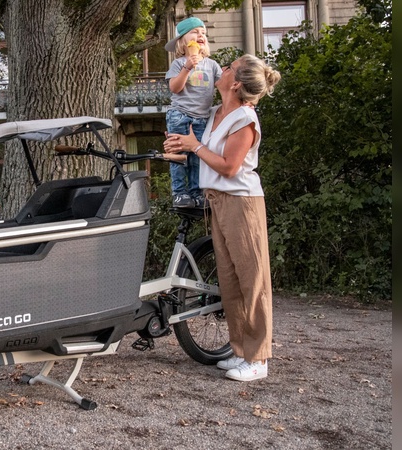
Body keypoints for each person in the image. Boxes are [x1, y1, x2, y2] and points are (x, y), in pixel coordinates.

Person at [162, 54, 282, 381]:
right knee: (229, 281)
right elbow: (197, 148)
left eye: (228, 68)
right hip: (217, 201)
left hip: (242, 202)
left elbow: (229, 166)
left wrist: (195, 147)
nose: (221, 68)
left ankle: (259, 359)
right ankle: (240, 349)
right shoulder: (216, 112)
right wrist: (179, 145)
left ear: (236, 83)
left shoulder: (245, 118)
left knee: (252, 281)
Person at [163, 17, 222, 208]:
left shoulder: (212, 65)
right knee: (179, 155)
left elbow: (223, 86)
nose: (200, 35)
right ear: (183, 41)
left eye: (203, 33)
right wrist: (187, 67)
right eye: (195, 32)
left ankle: (197, 193)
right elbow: (175, 87)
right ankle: (179, 193)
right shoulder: (179, 63)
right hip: (180, 114)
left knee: (198, 157)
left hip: (202, 117)